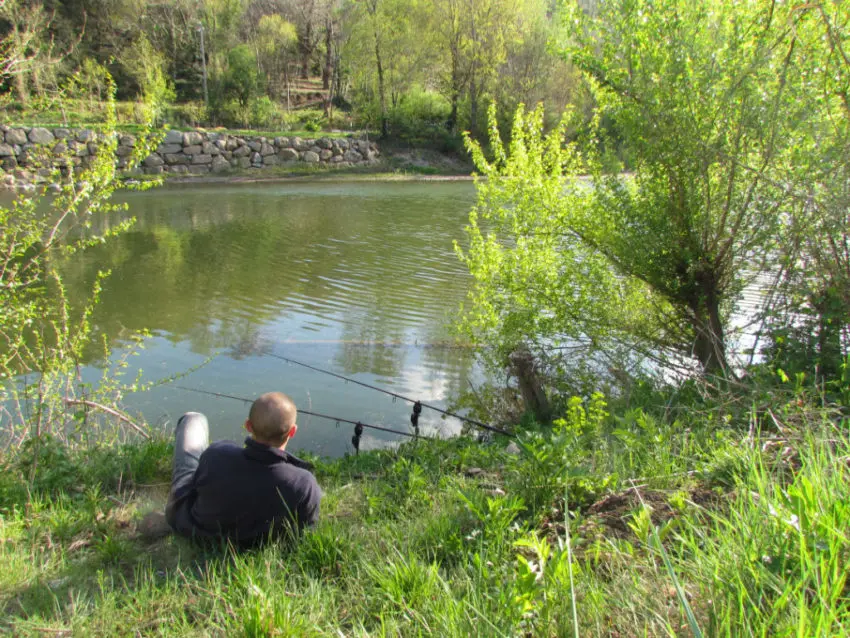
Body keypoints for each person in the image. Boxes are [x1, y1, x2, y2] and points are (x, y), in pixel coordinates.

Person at [165, 391, 322, 547]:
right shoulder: (304, 483)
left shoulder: (216, 454)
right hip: (256, 547)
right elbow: (303, 532)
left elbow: (195, 487)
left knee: (193, 419)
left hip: (196, 533)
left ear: (248, 425)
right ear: (293, 431)